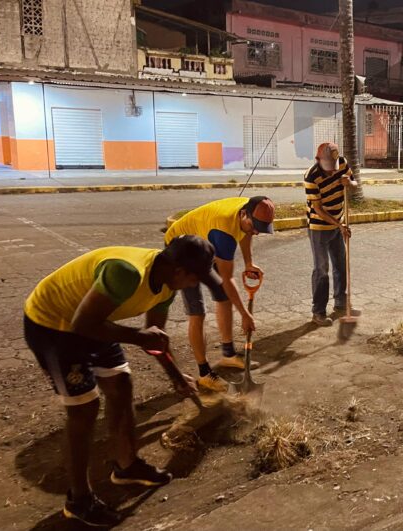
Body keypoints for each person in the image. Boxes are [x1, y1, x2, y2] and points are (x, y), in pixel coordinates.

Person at [23, 236, 217, 527]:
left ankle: (127, 466)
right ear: (178, 270)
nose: (193, 285)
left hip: (97, 322)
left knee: (121, 385)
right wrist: (138, 337)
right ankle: (79, 500)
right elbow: (83, 325)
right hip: (55, 325)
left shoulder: (166, 286)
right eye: (194, 278)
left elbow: (155, 339)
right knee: (84, 408)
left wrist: (176, 378)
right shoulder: (127, 273)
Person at [164, 196, 275, 391]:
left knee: (224, 298)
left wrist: (249, 262)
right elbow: (227, 279)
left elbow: (246, 233)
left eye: (261, 227)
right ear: (243, 214)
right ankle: (205, 374)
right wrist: (245, 315)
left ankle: (228, 355)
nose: (256, 231)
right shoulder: (223, 232)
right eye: (254, 225)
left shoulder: (247, 212)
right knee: (197, 311)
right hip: (181, 250)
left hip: (205, 242)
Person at [304, 143, 361, 326]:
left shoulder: (342, 163)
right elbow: (318, 209)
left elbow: (355, 183)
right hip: (319, 227)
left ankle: (341, 303)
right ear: (318, 160)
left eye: (333, 166)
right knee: (321, 270)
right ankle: (318, 312)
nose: (331, 172)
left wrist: (349, 182)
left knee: (341, 265)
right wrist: (340, 225)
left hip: (338, 223)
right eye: (328, 167)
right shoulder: (311, 176)